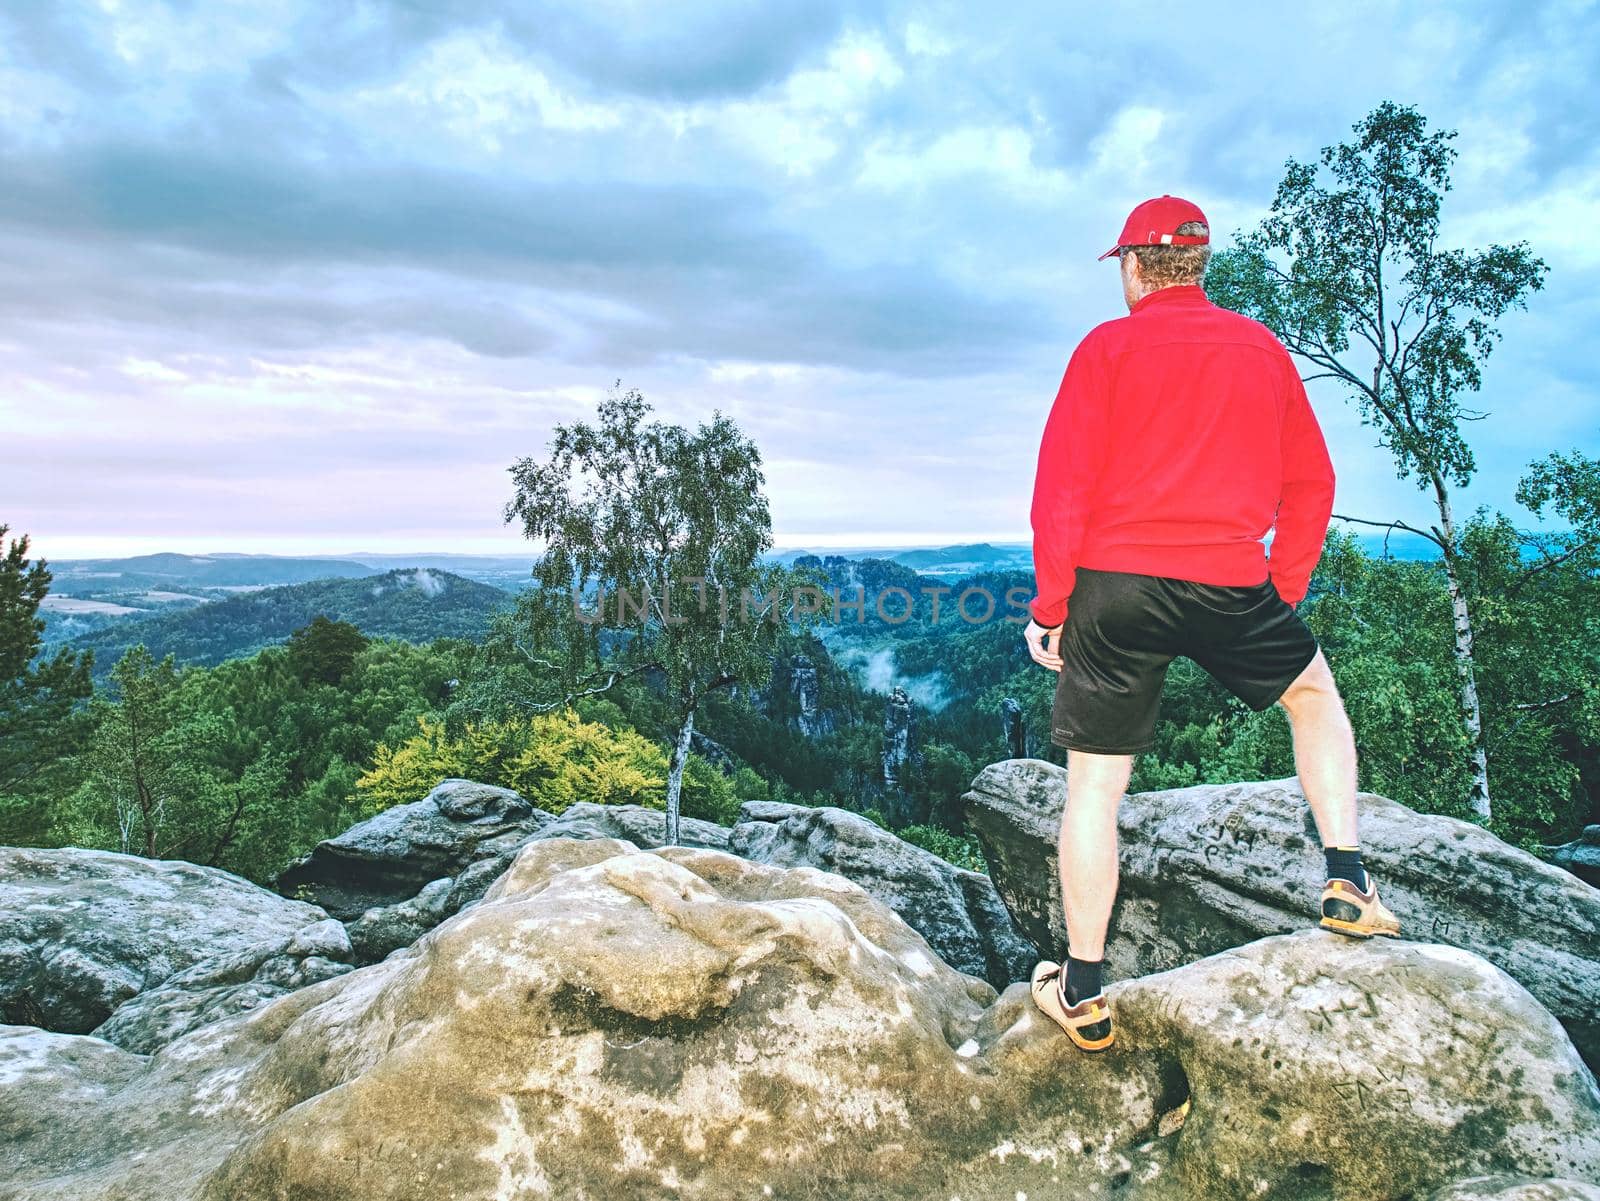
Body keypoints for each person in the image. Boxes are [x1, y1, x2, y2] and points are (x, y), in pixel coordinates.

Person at [1021, 195, 1401, 1053]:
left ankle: (1081, 989)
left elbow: (1061, 491)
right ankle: (1347, 881)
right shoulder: (1261, 350)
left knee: (1094, 789)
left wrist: (1051, 609)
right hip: (1230, 577)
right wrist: (1282, 590)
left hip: (1115, 588)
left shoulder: (1106, 348)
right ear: (1197, 263)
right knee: (1315, 699)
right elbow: (1313, 484)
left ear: (1133, 265)